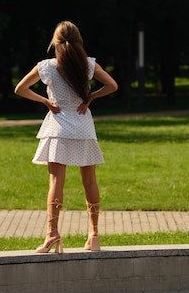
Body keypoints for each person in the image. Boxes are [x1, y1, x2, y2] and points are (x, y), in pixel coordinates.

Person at [14, 20, 118, 254]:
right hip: (83, 126)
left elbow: (20, 89)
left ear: (55, 41)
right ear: (79, 40)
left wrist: (45, 101)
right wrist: (90, 98)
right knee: (90, 181)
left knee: (56, 182)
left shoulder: (46, 67)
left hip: (58, 125)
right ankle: (94, 234)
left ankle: (52, 234)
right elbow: (112, 86)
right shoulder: (89, 65)